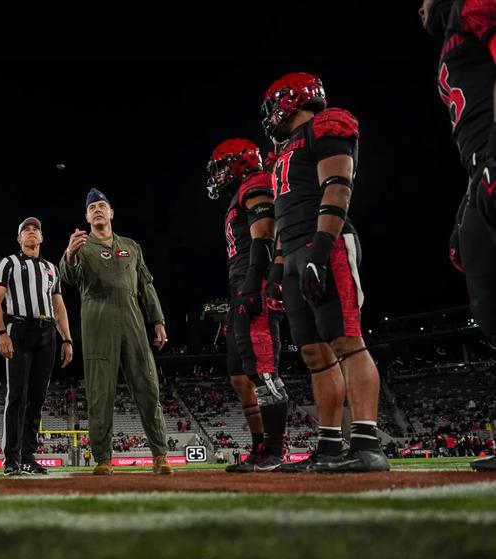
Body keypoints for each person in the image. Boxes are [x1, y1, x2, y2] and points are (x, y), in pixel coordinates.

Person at [261, 72, 388, 472]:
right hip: (295, 250)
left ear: (291, 100)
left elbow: (337, 186)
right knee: (315, 354)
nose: (270, 117)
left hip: (325, 244)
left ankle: (367, 443)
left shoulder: (325, 125)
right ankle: (330, 445)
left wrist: (320, 248)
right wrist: (278, 270)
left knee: (347, 341)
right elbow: (282, 217)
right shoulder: (282, 151)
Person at [419, 0, 496, 471]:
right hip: (480, 167)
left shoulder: (474, 7)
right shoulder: (453, 28)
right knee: (490, 308)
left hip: (491, 158)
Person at [59, 188, 172, 476]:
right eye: (92, 207)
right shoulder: (81, 248)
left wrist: (157, 320)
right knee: (100, 394)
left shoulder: (132, 247)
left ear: (111, 212)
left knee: (148, 388)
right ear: (86, 216)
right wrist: (69, 254)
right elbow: (67, 278)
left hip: (133, 324)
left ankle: (160, 456)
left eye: (102, 205)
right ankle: (103, 460)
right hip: (98, 326)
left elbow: (146, 285)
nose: (97, 209)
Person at [207, 139, 288, 473]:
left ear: (239, 164)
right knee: (240, 375)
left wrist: (257, 282)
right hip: (240, 286)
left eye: (223, 167)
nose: (218, 175)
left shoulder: (255, 183)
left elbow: (264, 235)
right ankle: (258, 447)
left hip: (255, 284)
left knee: (262, 368)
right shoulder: (239, 193)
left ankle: (274, 449)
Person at [0, 217, 74, 476]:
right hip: (19, 330)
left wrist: (67, 339)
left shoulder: (51, 268)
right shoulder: (8, 263)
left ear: (42, 238)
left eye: (35, 229)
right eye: (26, 230)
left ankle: (27, 456)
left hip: (47, 332)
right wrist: (1, 332)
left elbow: (58, 306)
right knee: (17, 396)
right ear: (19, 239)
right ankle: (11, 459)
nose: (31, 232)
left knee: (37, 398)